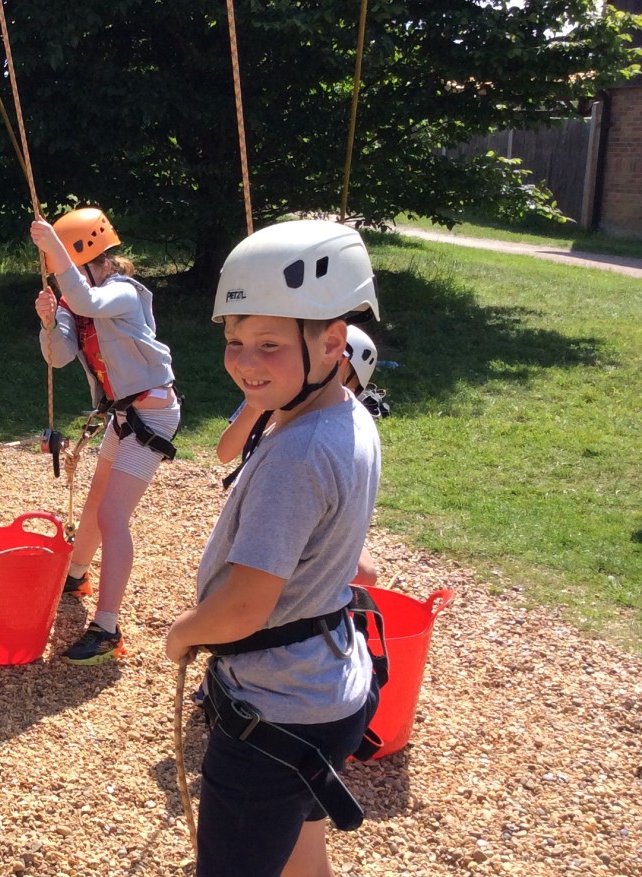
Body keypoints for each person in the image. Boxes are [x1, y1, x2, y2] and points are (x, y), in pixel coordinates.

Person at [164, 219, 383, 877]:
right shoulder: (346, 415)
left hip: (276, 712)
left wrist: (183, 633)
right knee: (299, 851)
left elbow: (245, 606)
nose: (245, 362)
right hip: (329, 689)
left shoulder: (296, 454)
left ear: (332, 343)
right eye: (235, 341)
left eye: (270, 344)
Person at [30, 208, 179, 664]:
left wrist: (53, 247)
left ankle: (108, 628)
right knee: (97, 500)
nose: (66, 281)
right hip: (125, 414)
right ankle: (77, 575)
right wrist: (47, 321)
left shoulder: (121, 292)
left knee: (113, 516)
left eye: (72, 268)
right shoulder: (73, 304)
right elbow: (57, 356)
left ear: (97, 263)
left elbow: (88, 301)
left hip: (153, 415)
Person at [216, 323, 386, 586]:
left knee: (365, 572)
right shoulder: (274, 398)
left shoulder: (339, 426)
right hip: (274, 512)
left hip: (313, 518)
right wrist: (259, 405)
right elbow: (225, 451)